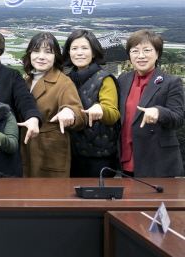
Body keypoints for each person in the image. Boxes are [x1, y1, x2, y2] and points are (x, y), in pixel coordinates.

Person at [118, 30, 184, 177]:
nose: (141, 56)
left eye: (147, 50)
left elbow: (178, 119)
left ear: (157, 53)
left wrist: (159, 111)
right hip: (126, 156)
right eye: (135, 51)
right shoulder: (123, 79)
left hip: (157, 160)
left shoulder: (171, 82)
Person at [21, 32, 85, 178]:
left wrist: (69, 111)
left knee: (49, 191)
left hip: (50, 149)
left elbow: (79, 113)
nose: (41, 56)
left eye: (48, 52)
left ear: (56, 56)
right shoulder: (27, 80)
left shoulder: (63, 82)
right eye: (36, 51)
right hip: (26, 145)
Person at [62, 29, 120, 178]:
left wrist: (101, 108)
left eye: (85, 48)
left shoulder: (104, 78)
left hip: (99, 156)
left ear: (94, 53)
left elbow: (113, 114)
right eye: (74, 48)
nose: (79, 53)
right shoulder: (66, 79)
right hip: (70, 154)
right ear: (68, 52)